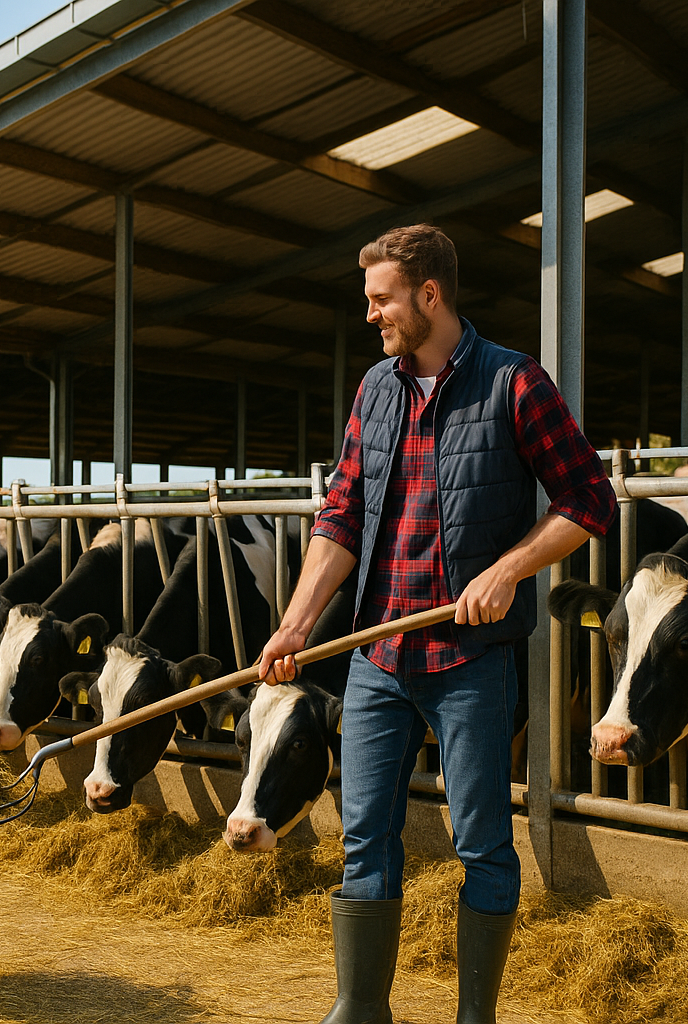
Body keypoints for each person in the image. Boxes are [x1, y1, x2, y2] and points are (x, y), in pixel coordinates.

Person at [257, 225, 615, 1024]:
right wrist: (296, 623)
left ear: (429, 295)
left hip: (468, 661)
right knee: (364, 838)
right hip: (376, 656)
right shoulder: (375, 391)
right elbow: (342, 515)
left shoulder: (514, 383)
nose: (372, 315)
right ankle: (360, 1010)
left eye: (382, 299)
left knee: (480, 842)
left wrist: (509, 568)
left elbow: (590, 501)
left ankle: (474, 1018)